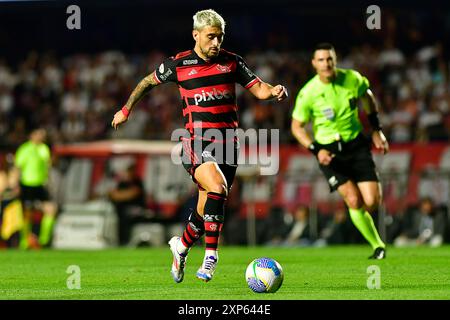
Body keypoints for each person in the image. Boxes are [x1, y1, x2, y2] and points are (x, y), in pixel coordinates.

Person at [111, 9, 288, 282]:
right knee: (217, 187)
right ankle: (210, 258)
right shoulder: (178, 64)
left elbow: (259, 88)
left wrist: (273, 90)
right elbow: (147, 82)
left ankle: (180, 247)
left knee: (207, 208)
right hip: (197, 141)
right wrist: (126, 109)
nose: (216, 43)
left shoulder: (232, 62)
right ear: (196, 35)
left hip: (229, 144)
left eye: (220, 37)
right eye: (211, 37)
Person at [291, 43, 389, 259]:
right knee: (353, 200)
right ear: (314, 64)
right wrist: (316, 150)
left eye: (329, 59)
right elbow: (296, 127)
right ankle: (378, 246)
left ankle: (366, 226)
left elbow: (368, 98)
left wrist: (376, 130)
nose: (326, 64)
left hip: (356, 145)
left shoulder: (352, 79)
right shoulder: (309, 92)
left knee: (372, 201)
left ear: (335, 61)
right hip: (329, 153)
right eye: (321, 60)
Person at [14, 128, 57, 248]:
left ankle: (43, 240)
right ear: (31, 135)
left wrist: (49, 182)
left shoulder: (44, 148)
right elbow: (18, 168)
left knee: (51, 209)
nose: (41, 137)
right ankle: (24, 241)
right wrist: (16, 185)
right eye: (38, 134)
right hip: (27, 185)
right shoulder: (24, 149)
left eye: (42, 135)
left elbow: (47, 167)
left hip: (40, 185)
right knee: (27, 214)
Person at [108, 164, 147, 245]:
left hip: (136, 209)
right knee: (119, 216)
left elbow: (133, 193)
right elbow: (113, 195)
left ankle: (126, 241)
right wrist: (122, 195)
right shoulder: (122, 183)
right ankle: (120, 241)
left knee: (126, 216)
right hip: (121, 209)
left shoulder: (137, 182)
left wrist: (121, 195)